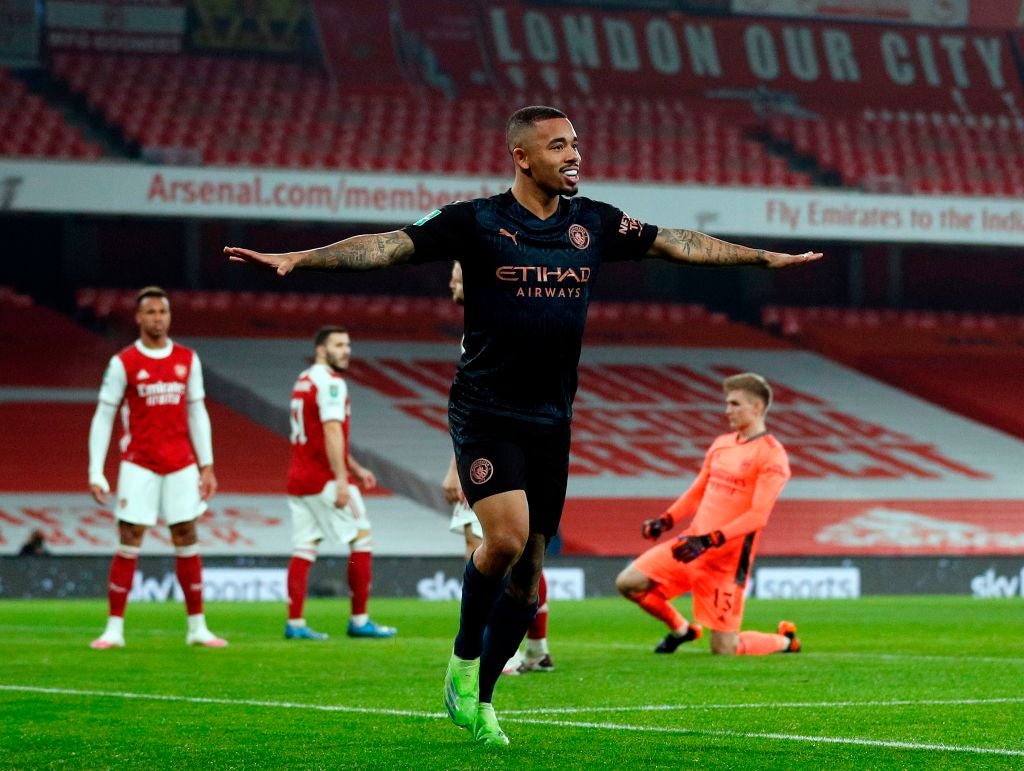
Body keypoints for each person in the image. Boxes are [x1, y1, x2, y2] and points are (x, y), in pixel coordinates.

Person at [224, 105, 821, 746]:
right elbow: (388, 247)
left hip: (551, 418)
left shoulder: (591, 221)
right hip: (484, 409)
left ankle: (481, 698)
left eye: (576, 145)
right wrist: (301, 259)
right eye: (559, 146)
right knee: (504, 539)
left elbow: (677, 241)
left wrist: (761, 259)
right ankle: (460, 660)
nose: (574, 156)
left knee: (531, 571)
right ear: (522, 157)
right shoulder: (475, 221)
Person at [616, 372, 801, 656]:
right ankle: (682, 629)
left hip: (725, 561)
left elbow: (758, 516)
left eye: (735, 404)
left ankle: (785, 640)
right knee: (629, 583)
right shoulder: (722, 444)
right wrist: (666, 520)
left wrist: (709, 540)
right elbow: (698, 490)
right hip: (690, 546)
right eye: (727, 403)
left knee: (725, 649)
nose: (727, 410)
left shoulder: (771, 455)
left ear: (757, 407)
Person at [87, 285, 226, 649]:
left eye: (162, 312)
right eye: (150, 312)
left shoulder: (187, 359)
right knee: (129, 538)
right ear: (138, 318)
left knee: (187, 536)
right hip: (139, 463)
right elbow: (104, 416)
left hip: (181, 463)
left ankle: (197, 627)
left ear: (169, 316)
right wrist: (95, 470)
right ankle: (114, 628)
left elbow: (197, 412)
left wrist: (207, 465)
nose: (157, 318)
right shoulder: (124, 362)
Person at [441, 261, 552, 676]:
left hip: (500, 456)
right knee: (522, 556)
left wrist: (456, 469)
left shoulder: (493, 327)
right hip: (517, 447)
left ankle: (495, 652)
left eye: (457, 274)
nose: (451, 282)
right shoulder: (485, 325)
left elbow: (483, 411)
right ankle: (536, 647)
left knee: (491, 550)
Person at [284, 325, 396, 641]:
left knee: (304, 547)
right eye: (338, 345)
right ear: (321, 349)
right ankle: (359, 620)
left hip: (298, 477)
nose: (346, 350)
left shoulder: (303, 380)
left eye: (348, 344)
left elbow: (319, 437)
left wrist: (356, 468)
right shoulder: (331, 384)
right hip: (322, 479)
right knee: (362, 537)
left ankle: (295, 624)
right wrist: (342, 480)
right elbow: (332, 432)